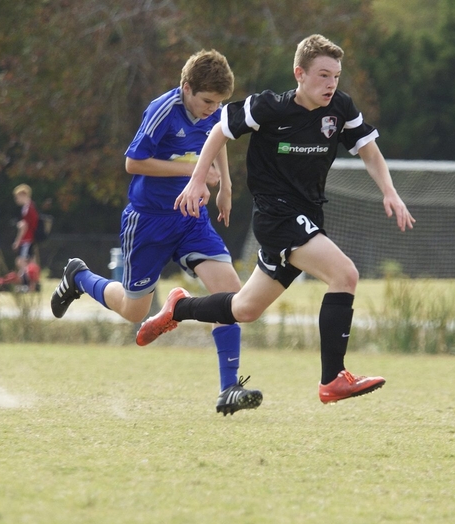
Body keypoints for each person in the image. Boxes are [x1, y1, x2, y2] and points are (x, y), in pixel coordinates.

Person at [136, 34, 415, 404]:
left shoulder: (340, 110)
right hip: (277, 215)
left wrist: (389, 191)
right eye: (322, 75)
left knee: (244, 309)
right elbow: (220, 128)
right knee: (344, 274)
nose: (331, 84)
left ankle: (179, 308)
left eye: (336, 76)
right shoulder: (270, 107)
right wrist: (198, 179)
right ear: (299, 73)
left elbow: (370, 150)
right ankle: (333, 379)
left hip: (306, 215)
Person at [49, 50, 262, 415]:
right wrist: (194, 171)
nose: (213, 109)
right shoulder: (163, 110)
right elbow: (133, 162)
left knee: (231, 295)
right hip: (147, 221)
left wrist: (225, 184)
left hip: (190, 219)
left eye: (219, 103)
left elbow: (219, 134)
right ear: (186, 88)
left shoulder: (211, 111)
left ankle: (229, 389)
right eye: (207, 101)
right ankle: (79, 276)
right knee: (134, 311)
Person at [12, 183, 40, 291]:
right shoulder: (30, 207)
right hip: (30, 239)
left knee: (22, 262)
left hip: (27, 239)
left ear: (24, 195)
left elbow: (25, 226)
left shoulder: (28, 208)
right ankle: (32, 285)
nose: (16, 199)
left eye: (17, 196)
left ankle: (28, 285)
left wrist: (17, 241)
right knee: (30, 262)